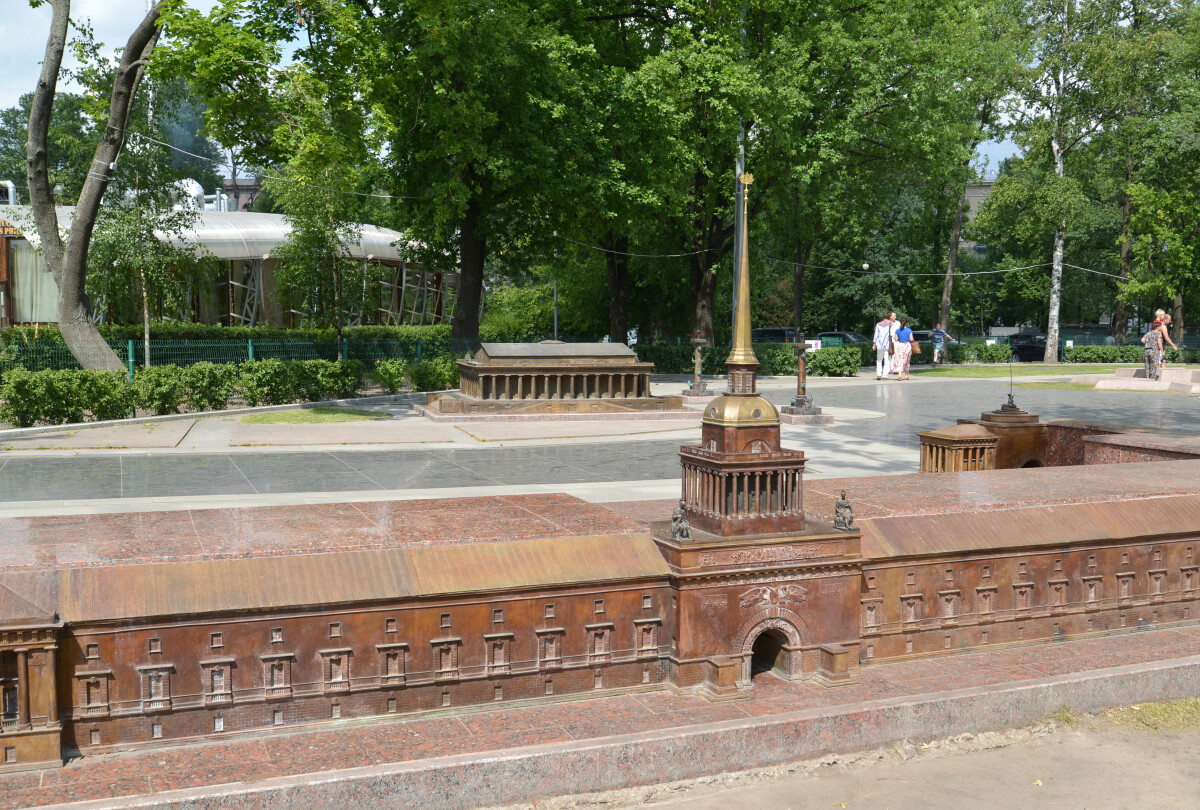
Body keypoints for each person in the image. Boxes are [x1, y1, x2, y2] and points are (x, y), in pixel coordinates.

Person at [873, 311, 898, 380]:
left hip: (879, 344)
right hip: (887, 345)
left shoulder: (878, 324)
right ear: (889, 317)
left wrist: (874, 344)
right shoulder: (891, 324)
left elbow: (876, 335)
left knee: (879, 359)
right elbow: (892, 334)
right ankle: (885, 375)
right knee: (887, 360)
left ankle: (878, 374)